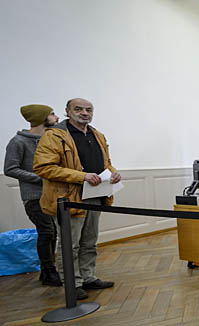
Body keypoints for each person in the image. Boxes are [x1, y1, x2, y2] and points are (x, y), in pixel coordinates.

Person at [33, 98, 120, 300]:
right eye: (78, 109)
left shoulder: (97, 135)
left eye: (89, 109)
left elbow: (106, 162)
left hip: (96, 195)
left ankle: (88, 277)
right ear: (67, 111)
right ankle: (73, 283)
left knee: (90, 241)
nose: (84, 113)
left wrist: (114, 173)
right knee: (69, 244)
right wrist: (82, 176)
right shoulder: (54, 135)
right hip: (67, 199)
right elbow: (43, 167)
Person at [4, 104, 61, 286]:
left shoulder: (49, 139)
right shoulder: (18, 142)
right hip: (34, 196)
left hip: (52, 195)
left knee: (52, 234)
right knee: (46, 232)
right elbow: (10, 169)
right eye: (52, 114)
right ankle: (49, 272)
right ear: (41, 117)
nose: (57, 117)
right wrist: (41, 179)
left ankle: (46, 272)